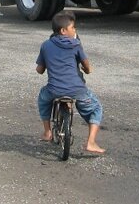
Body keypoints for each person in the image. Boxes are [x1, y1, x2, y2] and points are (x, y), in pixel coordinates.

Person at [36, 11, 105, 154]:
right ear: (63, 30)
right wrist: (86, 70)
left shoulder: (46, 45)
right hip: (77, 90)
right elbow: (87, 67)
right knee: (96, 108)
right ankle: (91, 142)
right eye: (73, 28)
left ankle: (47, 132)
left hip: (54, 90)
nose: (75, 30)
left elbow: (40, 70)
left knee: (43, 97)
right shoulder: (76, 45)